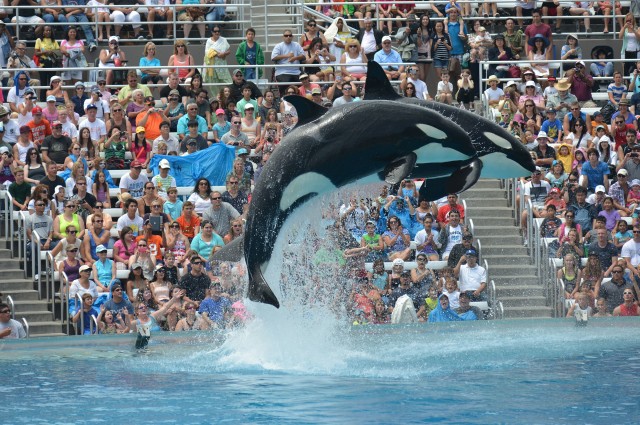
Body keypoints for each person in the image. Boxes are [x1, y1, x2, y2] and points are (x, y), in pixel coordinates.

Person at [271, 30, 306, 97]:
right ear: (283, 37)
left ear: (292, 37)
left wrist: (295, 58)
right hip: (282, 72)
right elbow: (273, 57)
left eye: (290, 35)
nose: (288, 37)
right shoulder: (279, 46)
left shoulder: (297, 45)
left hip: (296, 72)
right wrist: (287, 56)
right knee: (285, 85)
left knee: (302, 84)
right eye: (286, 36)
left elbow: (303, 56)